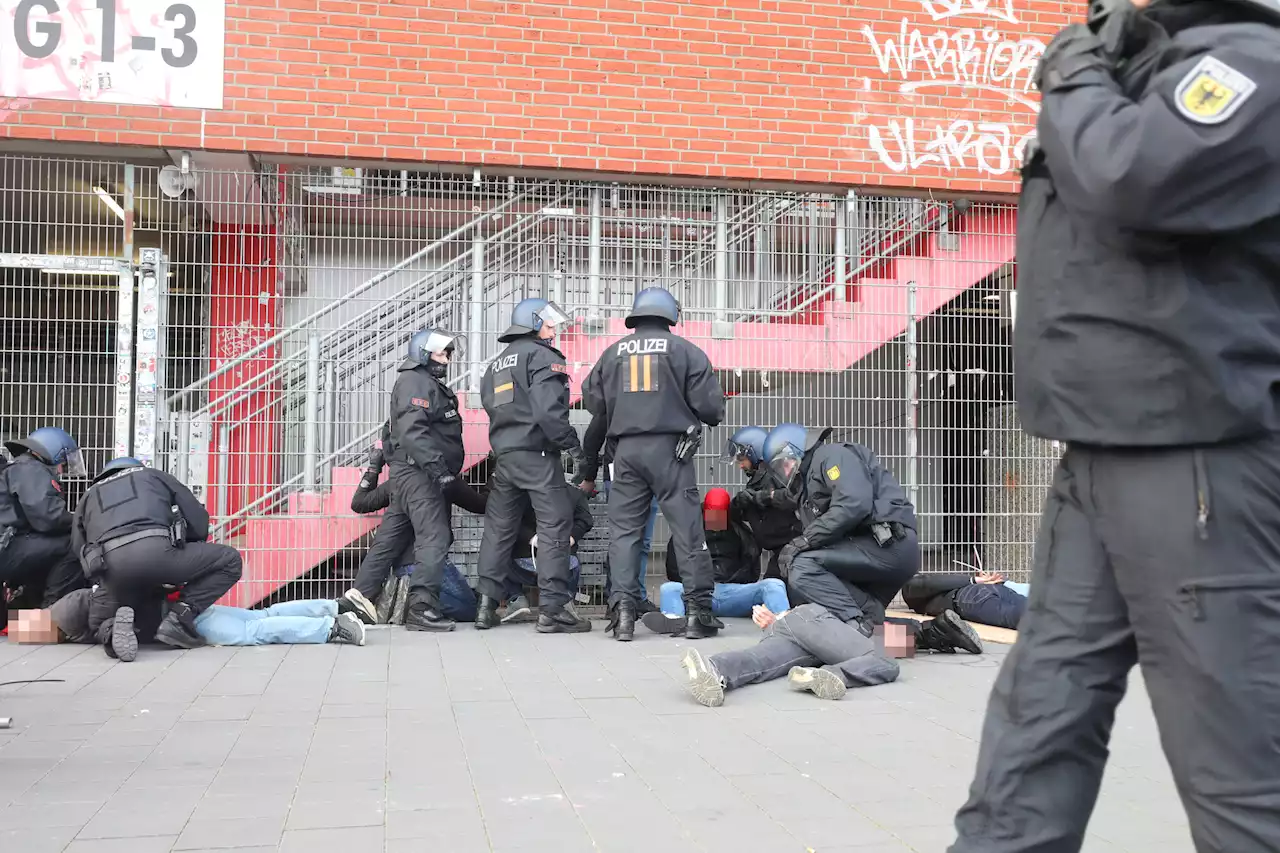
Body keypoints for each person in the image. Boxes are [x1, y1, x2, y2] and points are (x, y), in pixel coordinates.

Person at [952, 2, 1280, 850]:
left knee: (1238, 774)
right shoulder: (1144, 62)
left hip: (1193, 457)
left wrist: (1072, 70)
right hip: (1097, 448)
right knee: (1035, 735)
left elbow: (1133, 176)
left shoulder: (1251, 61)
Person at [582, 287, 726, 641]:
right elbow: (712, 410)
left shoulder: (612, 353)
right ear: (669, 314)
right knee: (688, 533)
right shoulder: (686, 351)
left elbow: (593, 402)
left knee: (624, 535)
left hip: (625, 453)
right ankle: (697, 614)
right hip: (671, 452)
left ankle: (624, 614)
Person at [762, 423, 981, 655]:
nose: (784, 471)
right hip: (877, 550)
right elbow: (787, 499)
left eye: (784, 463)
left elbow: (853, 503)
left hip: (886, 544)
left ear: (797, 449)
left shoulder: (830, 456)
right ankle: (935, 633)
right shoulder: (807, 486)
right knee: (864, 617)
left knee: (802, 565)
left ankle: (857, 634)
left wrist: (804, 541)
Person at [474, 298, 591, 633]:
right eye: (549, 323)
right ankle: (552, 609)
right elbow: (548, 412)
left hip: (505, 457)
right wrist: (572, 446)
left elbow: (490, 405)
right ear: (533, 322)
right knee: (555, 526)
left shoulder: (496, 364)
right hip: (537, 455)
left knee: (498, 530)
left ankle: (485, 607)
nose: (553, 329)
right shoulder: (542, 356)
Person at [72, 457, 242, 653]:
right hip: (158, 554)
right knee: (230, 560)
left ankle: (110, 631)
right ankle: (179, 617)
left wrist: (100, 578)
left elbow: (78, 545)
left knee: (101, 618)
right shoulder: (154, 475)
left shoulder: (88, 496)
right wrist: (188, 546)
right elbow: (197, 517)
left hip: (112, 566)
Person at [342, 420, 486, 624]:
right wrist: (494, 478)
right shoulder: (443, 479)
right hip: (430, 567)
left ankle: (414, 604)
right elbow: (481, 504)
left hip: (401, 569)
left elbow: (359, 503)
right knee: (473, 610)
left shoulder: (398, 482)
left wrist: (375, 466)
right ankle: (424, 606)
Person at [13, 586, 365, 661]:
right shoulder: (73, 608)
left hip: (181, 621)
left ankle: (332, 627)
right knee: (260, 617)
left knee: (252, 631)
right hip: (186, 609)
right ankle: (336, 605)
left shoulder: (73, 611)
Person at [381, 328, 466, 633]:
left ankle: (359, 598)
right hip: (420, 473)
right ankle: (421, 607)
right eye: (442, 353)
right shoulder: (415, 381)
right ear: (423, 353)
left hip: (414, 472)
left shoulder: (422, 382)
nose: (447, 360)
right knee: (435, 537)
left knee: (388, 541)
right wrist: (438, 469)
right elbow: (413, 431)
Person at [678, 603, 907, 708]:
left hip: (796, 628)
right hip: (813, 621)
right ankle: (826, 675)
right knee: (884, 660)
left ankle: (712, 668)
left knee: (759, 662)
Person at [641, 487, 790, 634]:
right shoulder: (688, 532)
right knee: (669, 588)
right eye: (712, 513)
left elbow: (752, 564)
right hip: (697, 593)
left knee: (773, 584)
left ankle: (786, 623)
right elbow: (673, 568)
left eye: (720, 514)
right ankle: (674, 619)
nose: (716, 518)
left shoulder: (740, 531)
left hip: (733, 592)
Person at [0, 427, 88, 631]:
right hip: (7, 547)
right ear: (54, 451)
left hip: (9, 544)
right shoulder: (30, 469)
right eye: (63, 462)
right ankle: (50, 617)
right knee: (72, 543)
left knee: (46, 549)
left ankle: (27, 615)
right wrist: (82, 520)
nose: (63, 469)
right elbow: (48, 517)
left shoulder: (19, 469)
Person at [576, 411, 659, 611]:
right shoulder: (615, 399)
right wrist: (588, 475)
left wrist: (589, 475)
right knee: (629, 541)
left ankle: (627, 597)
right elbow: (592, 438)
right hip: (628, 475)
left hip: (641, 475)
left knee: (635, 541)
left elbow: (592, 439)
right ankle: (622, 598)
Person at [722, 425, 803, 580]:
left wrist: (762, 497)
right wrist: (739, 504)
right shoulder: (758, 480)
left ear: (755, 453)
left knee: (774, 592)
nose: (740, 466)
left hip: (793, 548)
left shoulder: (776, 476)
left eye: (742, 460)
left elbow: (793, 499)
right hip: (781, 550)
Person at [902, 570, 1028, 631]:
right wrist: (974, 580)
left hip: (969, 598)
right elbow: (929, 582)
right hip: (978, 593)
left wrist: (974, 580)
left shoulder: (910, 586)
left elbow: (927, 582)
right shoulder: (910, 587)